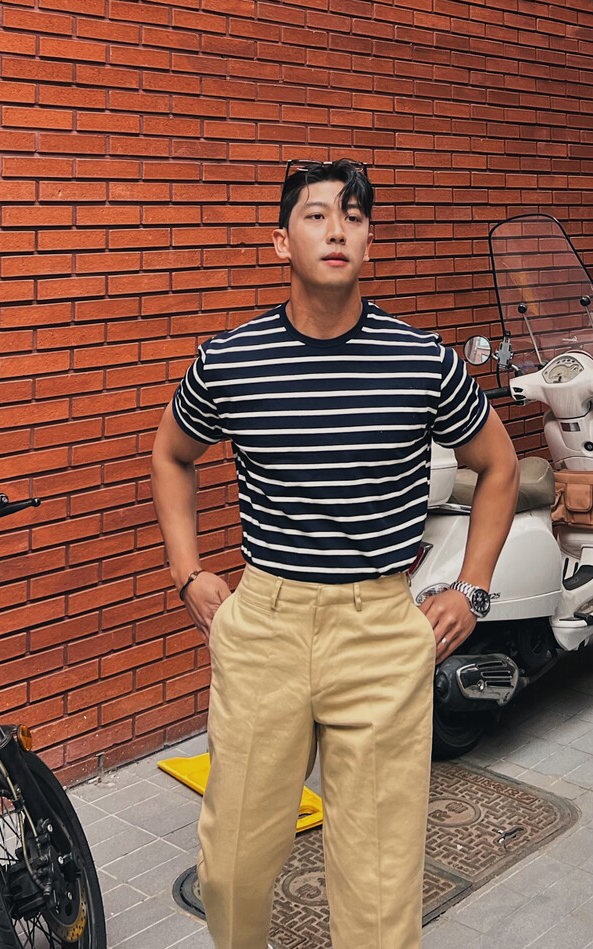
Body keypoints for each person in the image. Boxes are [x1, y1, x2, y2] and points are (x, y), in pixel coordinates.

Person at [150, 157, 519, 949]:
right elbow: (171, 454)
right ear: (281, 242)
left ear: (369, 241)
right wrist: (188, 571)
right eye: (316, 215)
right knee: (230, 869)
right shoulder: (231, 359)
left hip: (379, 629)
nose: (337, 229)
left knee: (379, 895)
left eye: (353, 216)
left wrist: (472, 587)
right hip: (266, 625)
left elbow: (500, 465)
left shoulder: (421, 360)